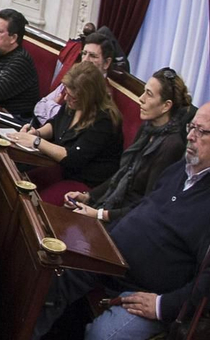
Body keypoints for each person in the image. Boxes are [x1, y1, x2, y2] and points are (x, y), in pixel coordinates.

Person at [32, 102, 210, 340]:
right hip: (112, 257)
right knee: (56, 269)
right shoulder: (181, 169)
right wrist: (101, 224)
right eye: (191, 128)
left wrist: (163, 305)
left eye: (201, 131)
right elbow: (143, 206)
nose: (191, 137)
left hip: (147, 294)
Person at [68, 68, 194, 224]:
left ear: (166, 106)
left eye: (149, 94)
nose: (141, 99)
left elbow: (148, 204)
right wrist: (88, 196)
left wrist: (100, 214)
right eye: (143, 92)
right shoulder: (147, 129)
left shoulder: (171, 146)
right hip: (113, 207)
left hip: (129, 221)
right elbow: (122, 173)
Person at [12, 62, 125, 189]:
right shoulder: (73, 104)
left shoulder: (104, 121)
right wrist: (37, 133)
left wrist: (37, 142)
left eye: (72, 97)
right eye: (66, 93)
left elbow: (73, 158)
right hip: (59, 167)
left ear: (88, 97)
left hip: (83, 182)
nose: (66, 99)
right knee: (15, 169)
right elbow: (55, 124)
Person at [34, 31, 112, 125]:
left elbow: (70, 124)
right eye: (84, 53)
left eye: (92, 56)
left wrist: (51, 106)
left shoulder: (102, 92)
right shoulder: (74, 77)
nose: (85, 60)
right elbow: (39, 106)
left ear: (106, 63)